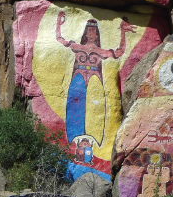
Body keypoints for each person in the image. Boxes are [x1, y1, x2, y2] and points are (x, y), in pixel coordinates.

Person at [56, 11, 136, 163]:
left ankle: (89, 150)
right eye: (89, 30)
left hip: (95, 85)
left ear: (97, 34)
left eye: (93, 31)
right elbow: (60, 39)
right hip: (77, 84)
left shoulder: (100, 52)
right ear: (85, 33)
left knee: (94, 114)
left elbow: (119, 52)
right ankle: (78, 149)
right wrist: (59, 24)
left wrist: (123, 33)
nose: (91, 33)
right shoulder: (77, 47)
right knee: (75, 113)